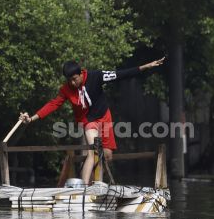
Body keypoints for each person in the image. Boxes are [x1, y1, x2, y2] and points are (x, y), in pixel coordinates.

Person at [19, 57, 165, 184]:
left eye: (75, 79)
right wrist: (31, 119)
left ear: (81, 73)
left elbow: (121, 75)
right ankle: (83, 188)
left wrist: (145, 66)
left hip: (104, 116)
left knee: (107, 156)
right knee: (93, 151)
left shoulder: (96, 76)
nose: (73, 83)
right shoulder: (66, 89)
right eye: (69, 80)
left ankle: (96, 183)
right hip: (88, 120)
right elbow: (53, 104)